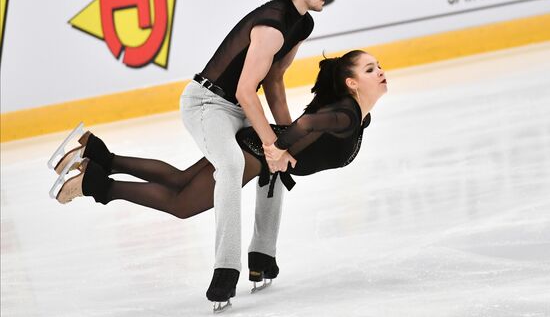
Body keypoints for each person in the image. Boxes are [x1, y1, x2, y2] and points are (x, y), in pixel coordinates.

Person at [50, 50, 387, 307]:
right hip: (254, 153)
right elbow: (306, 126)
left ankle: (99, 156)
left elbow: (308, 128)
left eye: (378, 66)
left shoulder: (355, 114)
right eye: (370, 69)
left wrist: (280, 152)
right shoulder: (346, 113)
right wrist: (278, 150)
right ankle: (96, 183)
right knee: (182, 204)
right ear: (351, 82)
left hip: (254, 149)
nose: (380, 71)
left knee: (181, 181)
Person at [180, 0, 345, 308]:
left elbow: (272, 80)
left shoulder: (301, 23)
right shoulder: (272, 24)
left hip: (237, 106)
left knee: (276, 157)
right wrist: (272, 144)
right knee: (233, 164)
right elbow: (243, 91)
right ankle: (225, 270)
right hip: (207, 104)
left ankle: (262, 257)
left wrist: (287, 136)